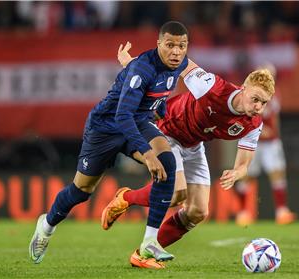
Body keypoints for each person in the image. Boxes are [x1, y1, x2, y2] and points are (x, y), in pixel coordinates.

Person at [29, 21, 189, 266]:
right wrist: (147, 154)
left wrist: (161, 110)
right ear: (158, 44)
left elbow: (160, 92)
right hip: (106, 127)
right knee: (81, 191)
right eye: (170, 45)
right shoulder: (142, 68)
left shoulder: (180, 65)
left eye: (181, 46)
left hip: (138, 121)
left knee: (166, 160)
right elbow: (122, 115)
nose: (176, 52)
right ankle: (47, 225)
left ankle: (149, 242)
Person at [101, 42, 275, 268]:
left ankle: (142, 255)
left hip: (193, 144)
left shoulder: (254, 123)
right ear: (243, 88)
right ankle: (126, 198)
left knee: (197, 212)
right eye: (256, 99)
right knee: (176, 194)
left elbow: (244, 164)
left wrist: (237, 172)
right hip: (167, 132)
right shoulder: (211, 86)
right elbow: (176, 61)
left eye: (264, 103)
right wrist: (133, 64)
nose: (259, 106)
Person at [235, 64, 297, 226]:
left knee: (277, 174)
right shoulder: (248, 93)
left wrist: (276, 135)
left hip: (271, 143)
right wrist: (260, 131)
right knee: (246, 176)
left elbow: (274, 119)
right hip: (252, 141)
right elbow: (243, 116)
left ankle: (281, 212)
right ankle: (243, 212)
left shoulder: (274, 96)